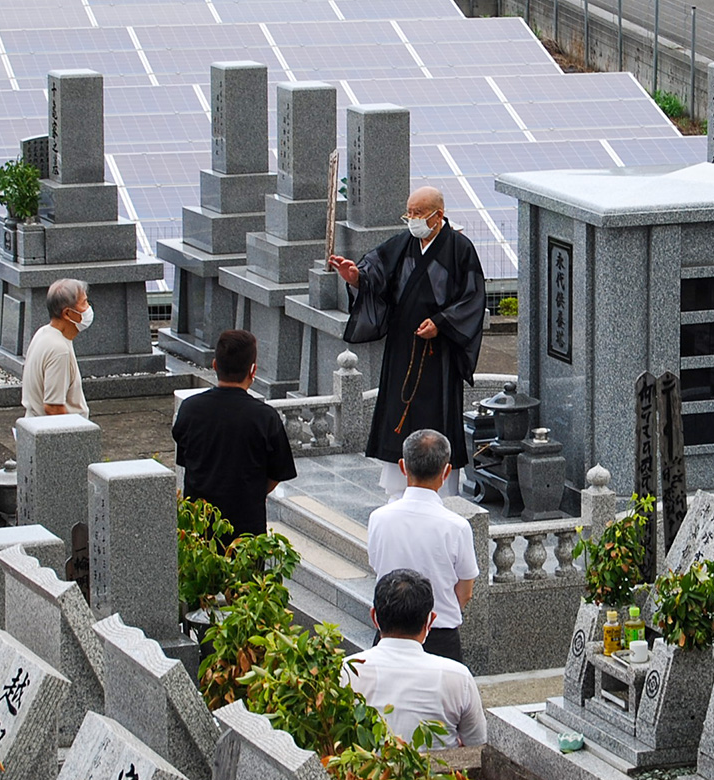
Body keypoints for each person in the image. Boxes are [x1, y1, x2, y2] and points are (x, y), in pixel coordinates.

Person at [328, 186, 485, 498]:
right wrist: (355, 278)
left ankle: (441, 487)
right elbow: (377, 274)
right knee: (399, 412)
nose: (412, 219)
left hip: (438, 352)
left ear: (438, 215)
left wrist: (441, 323)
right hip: (403, 346)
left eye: (418, 214)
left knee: (435, 416)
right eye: (409, 213)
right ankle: (398, 489)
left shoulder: (459, 248)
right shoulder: (403, 243)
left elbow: (473, 298)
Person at [366, 428, 479, 662]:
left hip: (389, 635)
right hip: (440, 636)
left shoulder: (379, 518)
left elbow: (378, 569)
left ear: (403, 467)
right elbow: (465, 592)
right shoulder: (456, 527)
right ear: (446, 471)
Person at [172, 328, 296, 539]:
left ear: (214, 365)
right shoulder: (265, 417)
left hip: (199, 525)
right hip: (247, 527)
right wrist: (252, 492)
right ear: (253, 371)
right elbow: (277, 473)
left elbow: (186, 460)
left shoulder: (190, 409)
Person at [342, 569, 486, 749]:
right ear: (430, 621)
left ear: (374, 617)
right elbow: (477, 744)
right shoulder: (458, 677)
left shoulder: (346, 671)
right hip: (437, 775)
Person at [21, 278, 93, 419]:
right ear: (67, 313)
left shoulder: (43, 333)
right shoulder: (59, 350)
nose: (88, 308)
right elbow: (53, 407)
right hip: (57, 433)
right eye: (84, 303)